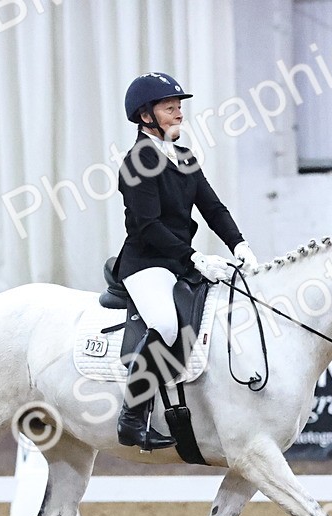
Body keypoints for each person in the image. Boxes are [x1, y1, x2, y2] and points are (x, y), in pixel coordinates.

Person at [114, 71, 258, 450]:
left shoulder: (185, 157)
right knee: (165, 323)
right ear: (146, 116)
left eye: (179, 106)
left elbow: (211, 206)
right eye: (169, 107)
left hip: (179, 261)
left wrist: (239, 245)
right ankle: (132, 417)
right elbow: (147, 226)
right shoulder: (137, 161)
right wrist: (194, 257)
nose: (179, 112)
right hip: (147, 263)